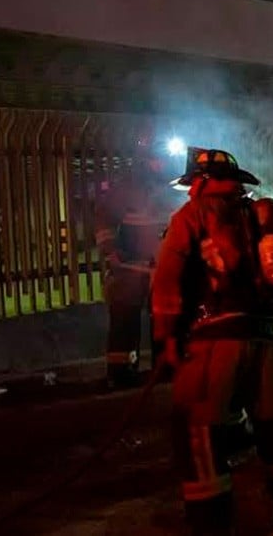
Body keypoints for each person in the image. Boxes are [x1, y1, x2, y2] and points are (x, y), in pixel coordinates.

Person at [152, 148, 273, 535]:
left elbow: (167, 280)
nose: (190, 191)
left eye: (192, 184)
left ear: (200, 182)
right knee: (270, 421)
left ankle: (212, 522)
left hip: (216, 337)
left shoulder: (190, 216)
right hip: (268, 337)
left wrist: (166, 338)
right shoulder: (259, 215)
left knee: (197, 428)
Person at [94, 147, 182, 389]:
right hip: (130, 269)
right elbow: (104, 219)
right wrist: (111, 250)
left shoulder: (176, 189)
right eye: (156, 159)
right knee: (124, 322)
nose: (160, 164)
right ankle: (121, 371)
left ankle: (163, 368)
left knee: (165, 321)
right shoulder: (125, 189)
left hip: (163, 270)